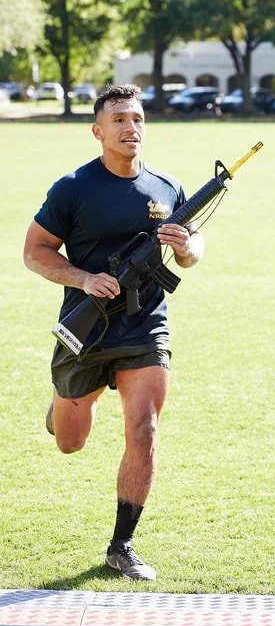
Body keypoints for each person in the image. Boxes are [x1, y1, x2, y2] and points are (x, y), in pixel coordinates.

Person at [23, 83, 204, 581]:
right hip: (87, 328)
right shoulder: (73, 188)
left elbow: (193, 251)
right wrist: (83, 278)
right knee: (70, 442)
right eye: (119, 119)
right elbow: (35, 251)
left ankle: (122, 545)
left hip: (146, 325)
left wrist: (186, 248)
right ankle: (65, 404)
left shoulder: (166, 187)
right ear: (98, 131)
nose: (131, 127)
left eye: (138, 118)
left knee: (144, 428)